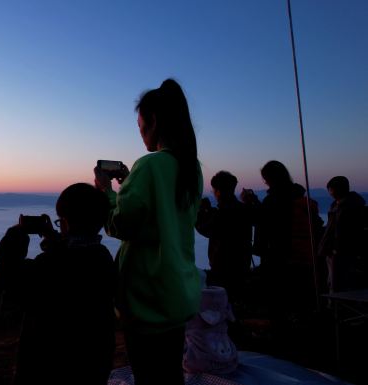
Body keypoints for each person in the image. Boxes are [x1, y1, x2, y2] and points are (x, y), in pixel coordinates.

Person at [94, 78, 202, 385]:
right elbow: (160, 213)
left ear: (154, 121)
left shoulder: (149, 166)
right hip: (178, 292)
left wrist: (105, 191)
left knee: (150, 376)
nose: (141, 135)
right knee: (169, 374)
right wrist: (128, 185)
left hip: (147, 298)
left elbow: (120, 225)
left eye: (141, 127)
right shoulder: (191, 169)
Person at [0, 183, 116, 385]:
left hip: (48, 368)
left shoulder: (49, 267)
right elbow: (75, 261)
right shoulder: (103, 259)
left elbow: (5, 272)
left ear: (65, 222)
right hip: (93, 365)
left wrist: (17, 232)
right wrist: (54, 238)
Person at [249, 160, 323, 317]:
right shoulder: (298, 198)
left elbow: (264, 222)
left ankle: (282, 334)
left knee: (280, 302)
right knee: (300, 301)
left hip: (279, 256)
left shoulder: (274, 200)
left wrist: (251, 203)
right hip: (304, 256)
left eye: (265, 178)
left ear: (270, 179)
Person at [195, 171, 254, 302]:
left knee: (226, 301)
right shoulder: (243, 209)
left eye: (214, 190)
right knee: (238, 297)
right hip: (242, 263)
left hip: (223, 266)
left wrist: (200, 212)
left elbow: (205, 228)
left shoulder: (223, 213)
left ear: (219, 191)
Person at [318, 176, 366, 293]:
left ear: (334, 189)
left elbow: (341, 230)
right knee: (333, 280)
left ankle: (338, 307)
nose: (329, 193)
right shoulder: (338, 205)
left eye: (330, 189)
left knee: (338, 282)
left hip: (340, 251)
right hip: (334, 250)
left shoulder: (347, 207)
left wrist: (335, 248)